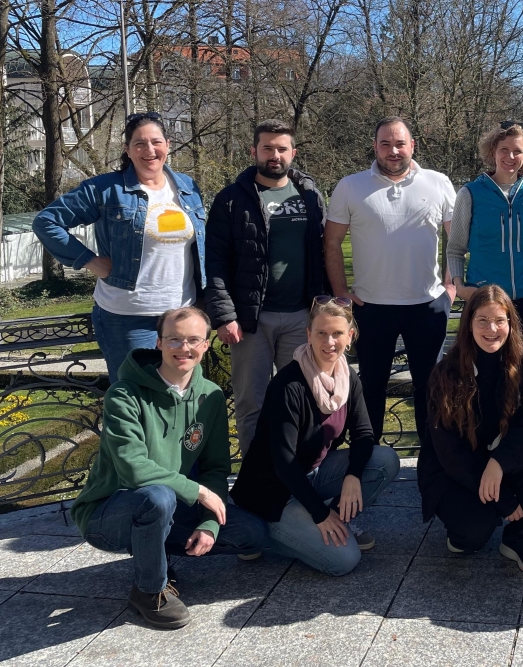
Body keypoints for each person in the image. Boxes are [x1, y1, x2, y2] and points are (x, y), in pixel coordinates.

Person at [70, 307, 267, 630]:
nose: (183, 348)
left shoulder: (211, 397)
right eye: (174, 339)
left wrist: (208, 524)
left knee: (250, 534)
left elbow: (215, 467)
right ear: (159, 343)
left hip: (170, 504)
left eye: (193, 340)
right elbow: (133, 468)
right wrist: (197, 491)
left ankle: (155, 558)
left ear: (206, 345)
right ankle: (150, 591)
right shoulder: (124, 394)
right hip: (109, 511)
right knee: (157, 498)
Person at [230, 297, 400, 576]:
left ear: (350, 336)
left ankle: (331, 522)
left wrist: (353, 475)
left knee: (385, 460)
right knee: (342, 560)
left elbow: (364, 433)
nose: (329, 342)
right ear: (308, 334)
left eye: (337, 333)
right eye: (321, 333)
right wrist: (319, 514)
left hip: (313, 474)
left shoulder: (347, 378)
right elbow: (283, 462)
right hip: (272, 492)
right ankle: (258, 532)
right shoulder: (289, 385)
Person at [33, 113, 207, 384]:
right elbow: (47, 222)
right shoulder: (105, 189)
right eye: (139, 143)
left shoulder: (186, 187)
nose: (149, 150)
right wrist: (89, 260)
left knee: (182, 395)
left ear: (168, 145)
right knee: (134, 398)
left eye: (156, 142)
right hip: (128, 316)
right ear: (127, 150)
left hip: (181, 315)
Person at [325, 116, 457, 444]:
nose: (393, 150)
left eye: (400, 143)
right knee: (370, 387)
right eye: (385, 144)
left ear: (413, 145)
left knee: (430, 388)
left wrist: (451, 287)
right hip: (371, 307)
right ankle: (367, 465)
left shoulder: (438, 183)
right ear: (375, 147)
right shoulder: (350, 186)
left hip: (427, 306)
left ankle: (432, 467)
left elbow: (457, 242)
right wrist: (341, 293)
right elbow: (331, 242)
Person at [419, 285, 523, 573]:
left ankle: (517, 536)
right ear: (469, 323)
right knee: (473, 533)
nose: (492, 328)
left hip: (500, 460)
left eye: (500, 320)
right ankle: (463, 529)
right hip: (456, 470)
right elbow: (449, 450)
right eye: (482, 320)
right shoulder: (446, 372)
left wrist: (501, 462)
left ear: (510, 323)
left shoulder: (522, 362)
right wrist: (504, 500)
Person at [205, 119, 328, 453]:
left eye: (282, 149)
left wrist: (326, 308)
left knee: (300, 399)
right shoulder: (231, 199)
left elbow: (322, 253)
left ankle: (298, 474)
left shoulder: (310, 195)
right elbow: (214, 261)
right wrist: (223, 315)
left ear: (293, 153)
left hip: (301, 317)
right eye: (268, 148)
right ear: (254, 151)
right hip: (250, 322)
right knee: (251, 404)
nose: (275, 155)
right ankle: (254, 481)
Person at [446, 121, 523, 361]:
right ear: (492, 151)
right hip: (485, 303)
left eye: (518, 150)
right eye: (504, 149)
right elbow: (455, 249)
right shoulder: (470, 193)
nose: (510, 156)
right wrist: (459, 285)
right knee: (484, 377)